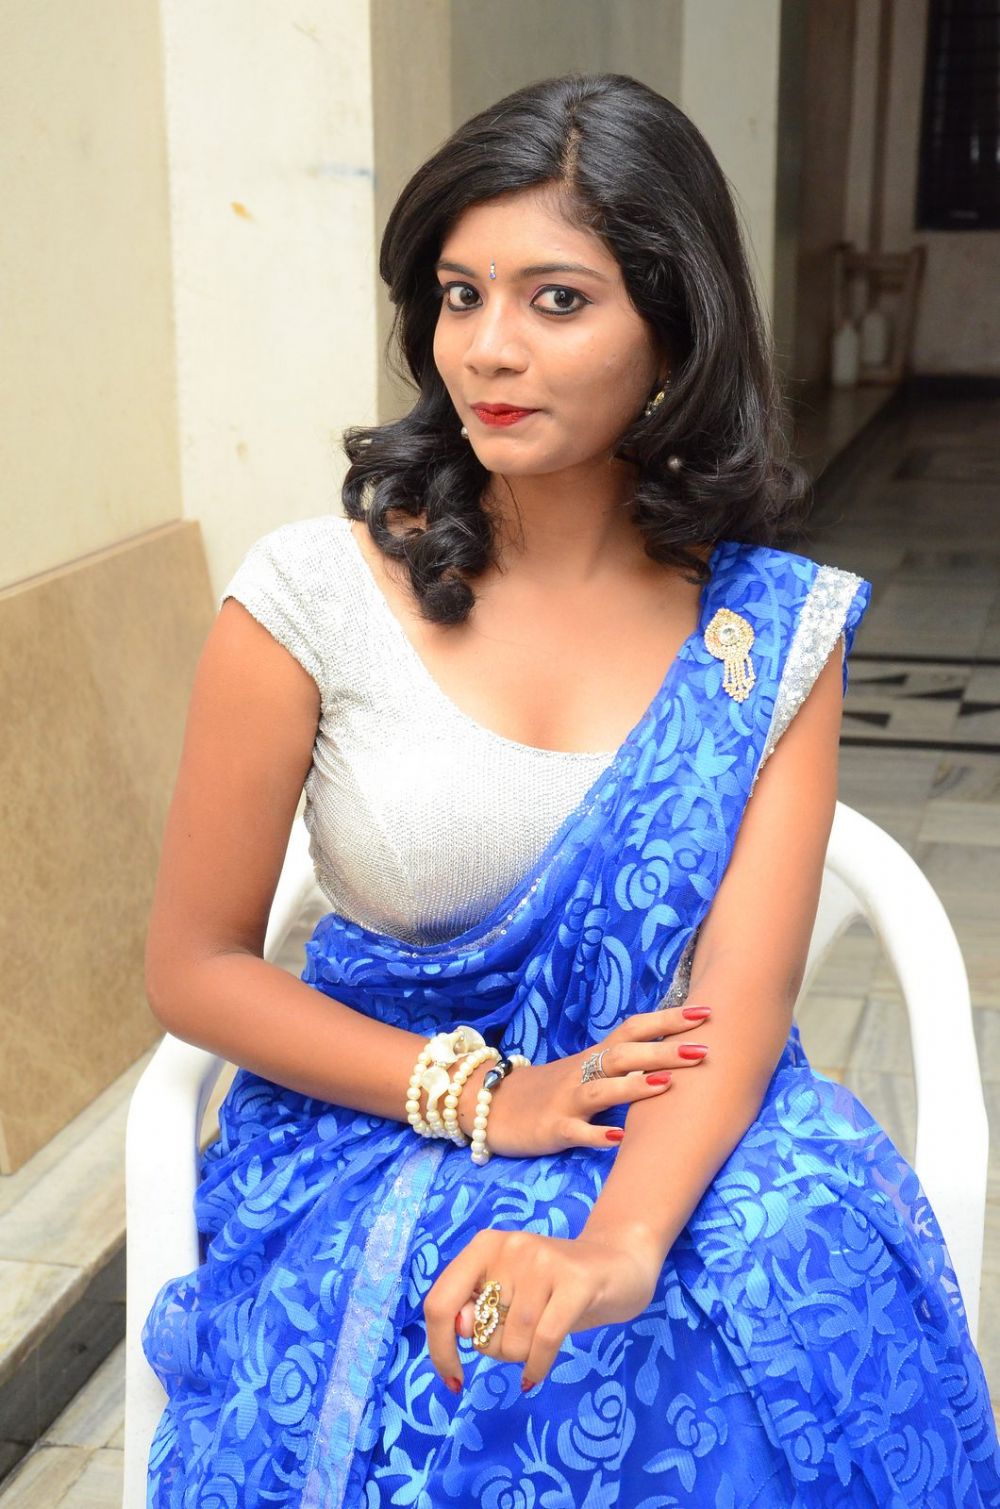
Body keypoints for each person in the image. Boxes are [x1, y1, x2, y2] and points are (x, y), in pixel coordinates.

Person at [141, 71, 1000, 1508]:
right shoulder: (310, 597)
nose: (489, 348)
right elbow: (195, 964)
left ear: (672, 330)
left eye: (557, 300)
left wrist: (622, 1242)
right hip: (375, 1125)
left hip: (668, 1112)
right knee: (451, 1367)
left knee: (770, 1292)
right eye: (460, 295)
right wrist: (483, 1095)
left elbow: (738, 996)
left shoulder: (767, 632)